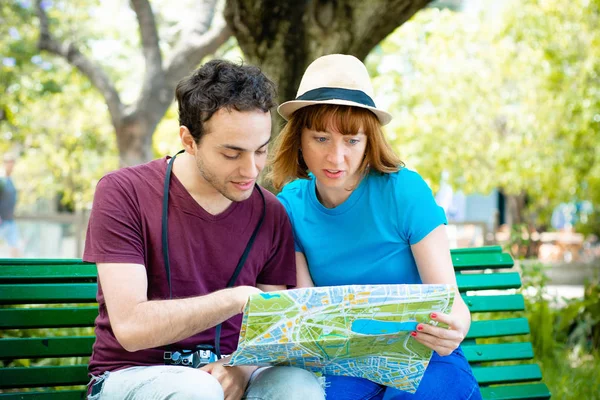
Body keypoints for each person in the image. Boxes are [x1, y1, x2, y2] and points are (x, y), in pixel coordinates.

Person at [83, 60, 324, 400]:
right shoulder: (123, 192)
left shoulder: (271, 211)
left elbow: (275, 329)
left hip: (227, 371)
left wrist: (239, 368)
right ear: (189, 140)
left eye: (260, 151)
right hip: (130, 376)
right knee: (197, 390)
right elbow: (131, 328)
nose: (251, 169)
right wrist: (234, 299)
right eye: (231, 153)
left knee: (297, 386)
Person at [270, 54, 482, 400]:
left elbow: (451, 301)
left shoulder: (404, 192)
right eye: (321, 138)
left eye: (352, 140)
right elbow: (307, 314)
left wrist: (455, 326)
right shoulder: (289, 206)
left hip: (424, 356)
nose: (336, 158)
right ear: (298, 139)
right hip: (342, 361)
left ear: (369, 141)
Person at [0, 153, 21, 257]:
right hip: (1, 221)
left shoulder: (11, 180)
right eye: (9, 163)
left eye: (12, 164)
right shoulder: (1, 179)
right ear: (4, 164)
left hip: (10, 221)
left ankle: (18, 273)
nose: (11, 166)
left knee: (15, 248)